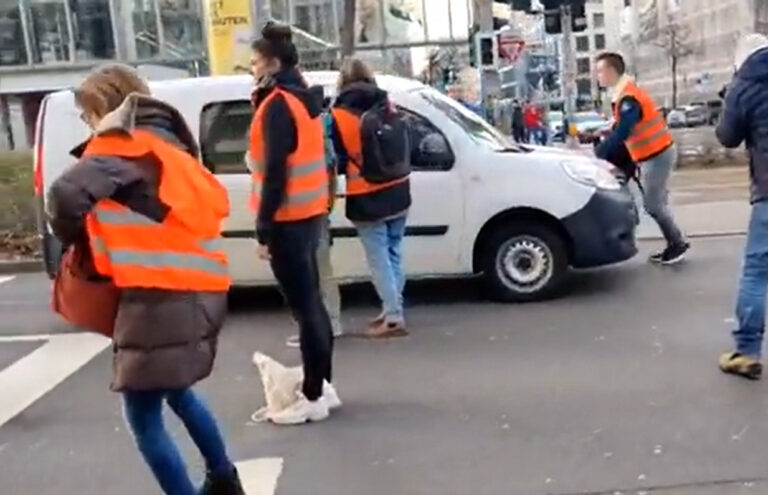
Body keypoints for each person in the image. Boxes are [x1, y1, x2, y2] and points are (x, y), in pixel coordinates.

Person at [48, 64, 243, 495]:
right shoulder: (169, 150)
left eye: (88, 114)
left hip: (157, 297)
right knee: (178, 392)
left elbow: (64, 195)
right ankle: (224, 478)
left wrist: (75, 237)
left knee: (142, 418)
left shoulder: (120, 148)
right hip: (199, 292)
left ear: (105, 105)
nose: (89, 124)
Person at [248, 22, 340, 424]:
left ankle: (313, 396)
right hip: (309, 213)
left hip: (287, 218)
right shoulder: (303, 99)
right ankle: (324, 387)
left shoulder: (278, 104)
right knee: (313, 305)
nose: (251, 69)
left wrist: (263, 227)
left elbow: (275, 174)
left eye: (254, 62)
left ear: (271, 62)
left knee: (305, 310)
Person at [330, 58, 412, 338]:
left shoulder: (338, 114)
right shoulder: (386, 103)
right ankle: (392, 307)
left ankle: (393, 317)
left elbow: (337, 159)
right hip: (399, 186)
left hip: (367, 194)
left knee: (379, 258)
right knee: (393, 252)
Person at [595, 52, 689, 265]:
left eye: (600, 71)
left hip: (657, 155)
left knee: (653, 205)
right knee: (656, 203)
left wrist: (600, 152)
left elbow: (624, 131)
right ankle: (674, 242)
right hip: (649, 155)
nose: (598, 76)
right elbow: (620, 128)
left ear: (611, 71)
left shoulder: (628, 98)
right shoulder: (622, 94)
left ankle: (677, 244)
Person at [715, 34, 768, 380]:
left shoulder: (744, 85)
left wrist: (729, 99)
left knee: (757, 270)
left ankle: (747, 352)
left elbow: (727, 136)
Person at [286, 95, 344, 347]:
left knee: (305, 274)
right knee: (324, 270)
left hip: (300, 213)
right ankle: (334, 322)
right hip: (320, 210)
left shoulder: (299, 139)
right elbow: (331, 177)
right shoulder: (325, 140)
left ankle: (313, 329)